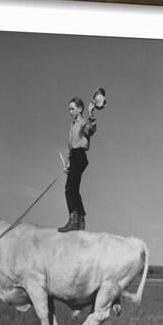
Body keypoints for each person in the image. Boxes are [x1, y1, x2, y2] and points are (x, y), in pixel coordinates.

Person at [58, 90, 105, 233]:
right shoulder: (72, 127)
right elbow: (70, 147)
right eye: (69, 109)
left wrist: (91, 113)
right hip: (74, 157)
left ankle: (74, 220)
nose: (70, 111)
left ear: (80, 108)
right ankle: (81, 220)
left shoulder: (83, 122)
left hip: (80, 156)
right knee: (74, 189)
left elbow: (91, 130)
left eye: (72, 108)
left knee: (69, 189)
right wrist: (67, 163)